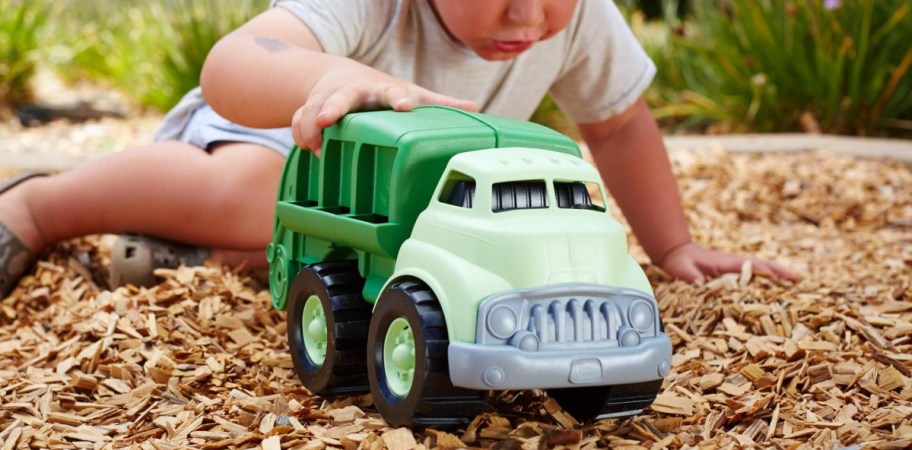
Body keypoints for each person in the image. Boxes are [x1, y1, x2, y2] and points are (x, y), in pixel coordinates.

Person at [0, 0, 796, 299]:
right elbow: (232, 68)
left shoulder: (577, 16)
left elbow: (618, 123)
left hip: (389, 201)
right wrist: (341, 73)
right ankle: (38, 206)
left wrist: (673, 243)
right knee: (260, 193)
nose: (528, 15)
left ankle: (190, 255)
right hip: (273, 142)